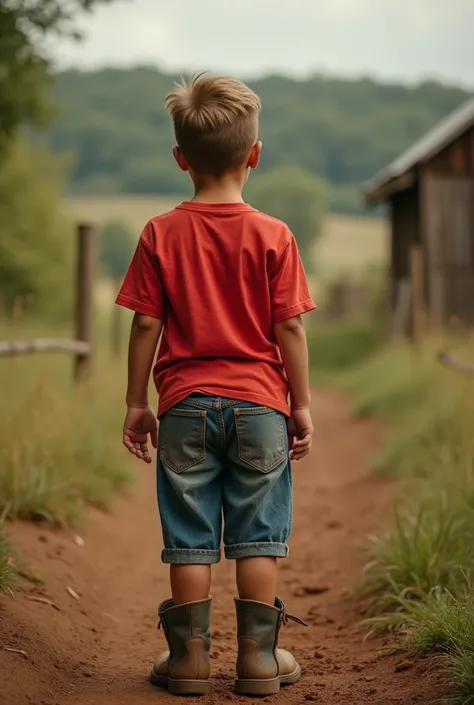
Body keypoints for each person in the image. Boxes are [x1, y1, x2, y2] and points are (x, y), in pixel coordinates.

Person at [116, 73, 316, 697]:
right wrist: (301, 405)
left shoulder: (159, 232)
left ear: (180, 159)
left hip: (182, 410)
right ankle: (259, 661)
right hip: (260, 407)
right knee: (259, 533)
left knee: (191, 536)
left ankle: (189, 662)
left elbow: (147, 321)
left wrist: (134, 402)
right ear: (255, 155)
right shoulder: (274, 235)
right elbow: (290, 329)